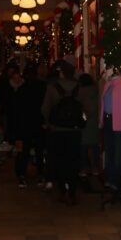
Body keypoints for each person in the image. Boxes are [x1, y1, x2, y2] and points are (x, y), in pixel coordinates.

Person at [42, 59, 85, 204]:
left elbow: (45, 108)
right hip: (74, 130)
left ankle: (62, 190)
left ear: (62, 73)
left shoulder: (52, 87)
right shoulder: (79, 87)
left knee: (59, 160)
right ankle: (72, 190)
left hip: (57, 130)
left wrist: (48, 123)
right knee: (73, 160)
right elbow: (86, 109)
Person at [99, 66, 121, 204]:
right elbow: (103, 105)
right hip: (108, 122)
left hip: (119, 124)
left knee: (118, 156)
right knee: (109, 153)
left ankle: (117, 183)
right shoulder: (108, 84)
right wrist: (101, 121)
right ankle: (110, 180)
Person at [10, 63, 46, 188]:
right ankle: (41, 174)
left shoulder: (21, 90)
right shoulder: (42, 88)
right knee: (39, 150)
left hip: (23, 126)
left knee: (23, 152)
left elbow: (15, 111)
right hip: (38, 124)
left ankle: (21, 175)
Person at [78, 73, 100, 176]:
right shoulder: (96, 90)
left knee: (83, 147)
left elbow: (80, 106)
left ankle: (84, 168)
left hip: (84, 122)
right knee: (95, 146)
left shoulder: (81, 92)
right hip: (95, 121)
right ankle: (95, 168)